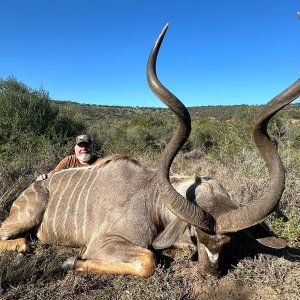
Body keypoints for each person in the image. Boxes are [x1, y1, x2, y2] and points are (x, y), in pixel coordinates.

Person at [37, 134, 101, 181]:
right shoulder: (69, 161)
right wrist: (43, 177)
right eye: (80, 146)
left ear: (93, 147)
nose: (84, 148)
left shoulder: (100, 162)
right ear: (75, 149)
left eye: (87, 145)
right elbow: (54, 174)